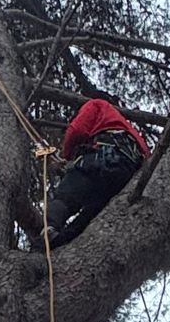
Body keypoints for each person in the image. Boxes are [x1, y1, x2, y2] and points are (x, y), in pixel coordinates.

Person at [44, 96, 149, 247]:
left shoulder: (97, 105)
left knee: (65, 197)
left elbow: (77, 130)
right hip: (126, 175)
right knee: (92, 212)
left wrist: (66, 155)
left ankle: (48, 232)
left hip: (101, 160)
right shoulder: (132, 133)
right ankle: (64, 242)